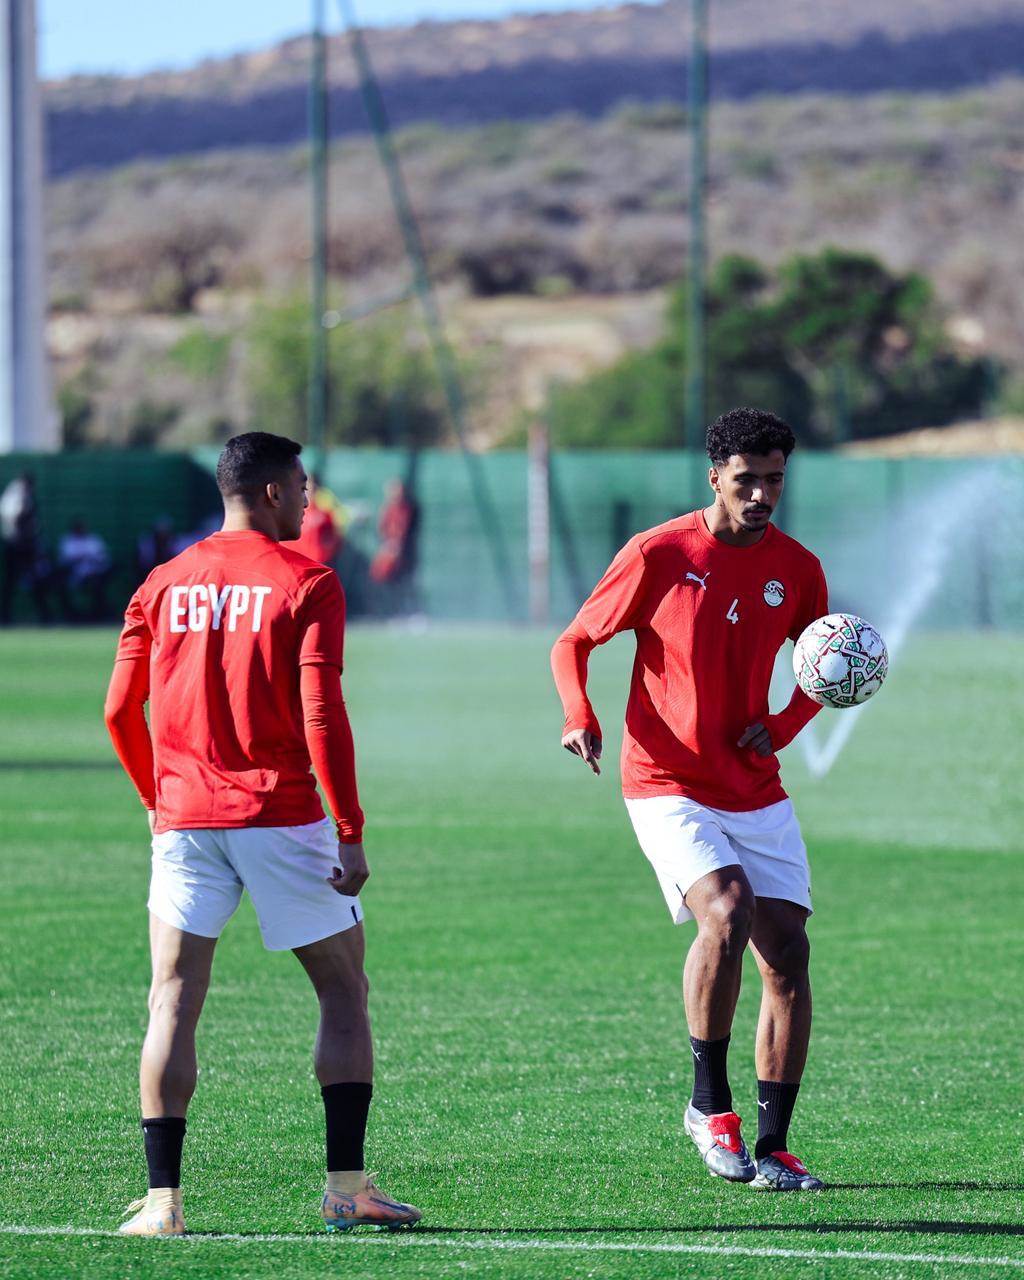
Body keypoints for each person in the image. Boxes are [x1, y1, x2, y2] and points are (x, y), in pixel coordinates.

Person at [104, 431, 420, 1236]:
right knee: (342, 990)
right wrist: (349, 828)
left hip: (185, 821)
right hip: (280, 815)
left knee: (172, 997)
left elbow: (118, 710)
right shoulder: (307, 580)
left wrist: (154, 798)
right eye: (303, 485)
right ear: (274, 491)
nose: (310, 500)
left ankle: (163, 1203)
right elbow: (322, 713)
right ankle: (346, 1188)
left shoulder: (161, 581)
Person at [551, 408, 829, 1193]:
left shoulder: (797, 568)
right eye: (747, 480)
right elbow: (573, 642)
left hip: (754, 788)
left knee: (789, 957)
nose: (762, 494)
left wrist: (782, 726)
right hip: (666, 780)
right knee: (728, 910)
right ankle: (710, 1107)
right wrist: (579, 714)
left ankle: (774, 1149)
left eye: (774, 479)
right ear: (714, 477)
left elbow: (823, 662)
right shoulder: (660, 553)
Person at [0, 472, 53, 625]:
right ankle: (7, 615)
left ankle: (44, 615)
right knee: (19, 581)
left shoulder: (15, 495)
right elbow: (17, 518)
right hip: (18, 545)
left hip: (21, 545)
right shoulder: (17, 496)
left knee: (30, 580)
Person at [58, 518, 112, 621]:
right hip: (73, 575)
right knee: (61, 584)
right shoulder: (67, 541)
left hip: (94, 574)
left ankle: (99, 614)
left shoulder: (93, 540)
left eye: (82, 527)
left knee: (97, 584)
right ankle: (71, 615)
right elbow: (64, 561)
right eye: (78, 528)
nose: (81, 530)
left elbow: (103, 559)